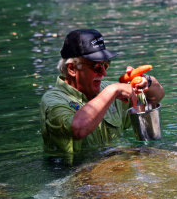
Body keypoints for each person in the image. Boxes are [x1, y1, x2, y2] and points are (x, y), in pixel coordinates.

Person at [40, 29, 165, 157]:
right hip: (77, 173)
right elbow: (78, 129)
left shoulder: (108, 89)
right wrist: (113, 90)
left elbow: (155, 97)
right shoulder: (53, 100)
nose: (103, 73)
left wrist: (146, 81)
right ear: (72, 68)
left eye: (105, 65)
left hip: (115, 166)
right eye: (96, 67)